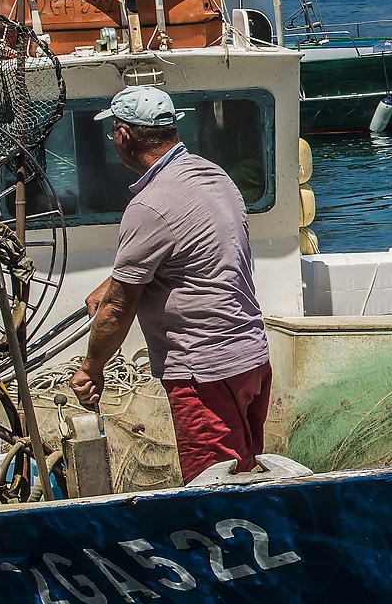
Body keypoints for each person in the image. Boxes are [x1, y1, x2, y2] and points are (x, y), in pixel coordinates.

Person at [70, 86, 273, 481]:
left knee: (214, 487)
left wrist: (91, 368)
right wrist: (114, 281)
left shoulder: (148, 205)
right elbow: (187, 247)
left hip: (205, 372)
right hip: (250, 358)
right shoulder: (213, 176)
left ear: (124, 135)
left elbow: (117, 310)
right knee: (247, 475)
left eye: (113, 133)